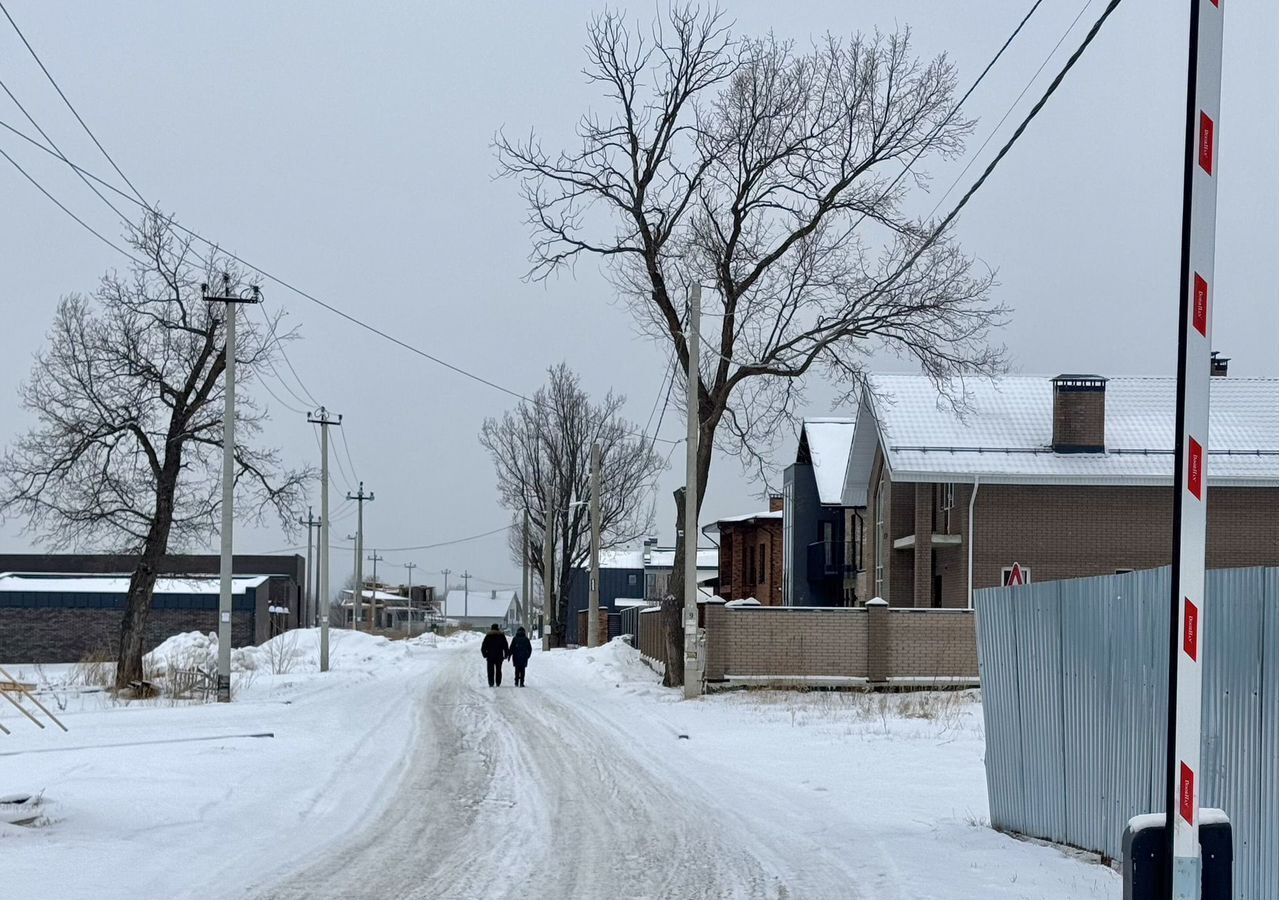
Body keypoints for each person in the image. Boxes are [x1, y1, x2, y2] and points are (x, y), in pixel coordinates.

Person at [480, 623, 509, 687]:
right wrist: (506, 654)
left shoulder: (488, 636)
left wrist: (485, 654)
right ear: (498, 628)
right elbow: (505, 646)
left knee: (490, 670)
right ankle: (498, 682)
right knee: (499, 669)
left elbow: (483, 647)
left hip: (490, 656)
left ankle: (491, 683)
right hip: (499, 656)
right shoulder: (501, 636)